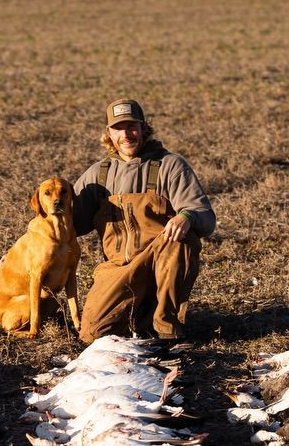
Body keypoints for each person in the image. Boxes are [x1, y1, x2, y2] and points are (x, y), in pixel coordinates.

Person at [72, 99, 215, 344]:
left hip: (160, 260)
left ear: (144, 128)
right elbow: (70, 223)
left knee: (181, 240)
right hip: (119, 268)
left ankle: (166, 327)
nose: (126, 135)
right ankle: (142, 315)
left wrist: (186, 216)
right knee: (93, 335)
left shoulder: (170, 165)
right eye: (119, 129)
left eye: (132, 127)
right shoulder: (98, 174)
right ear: (109, 133)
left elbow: (204, 216)